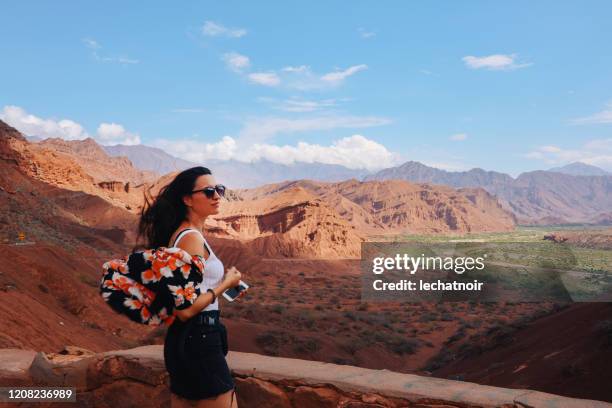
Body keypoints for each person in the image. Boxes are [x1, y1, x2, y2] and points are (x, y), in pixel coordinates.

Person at [137, 166, 242, 407]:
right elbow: (185, 308)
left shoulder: (184, 235)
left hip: (186, 339)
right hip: (200, 339)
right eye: (208, 191)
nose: (217, 196)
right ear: (187, 199)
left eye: (219, 189)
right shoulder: (191, 239)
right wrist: (226, 284)